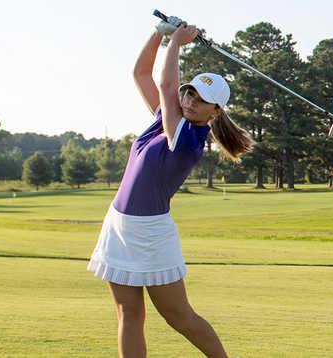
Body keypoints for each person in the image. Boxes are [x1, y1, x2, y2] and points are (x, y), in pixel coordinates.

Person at [87, 16, 253, 358]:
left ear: (215, 112)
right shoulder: (166, 120)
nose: (190, 100)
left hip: (150, 234)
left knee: (179, 317)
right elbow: (142, 76)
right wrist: (158, 34)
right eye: (190, 92)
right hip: (118, 225)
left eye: (201, 99)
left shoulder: (190, 139)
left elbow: (165, 84)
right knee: (128, 314)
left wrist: (176, 42)